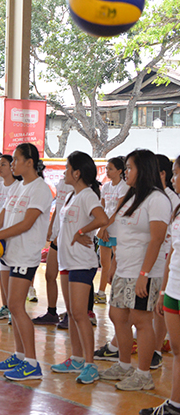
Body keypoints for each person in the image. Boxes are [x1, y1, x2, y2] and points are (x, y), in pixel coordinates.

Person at [0, 143, 53, 381]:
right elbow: (2, 219)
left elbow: (27, 223)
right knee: (13, 310)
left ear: (30, 162)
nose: (13, 164)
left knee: (17, 307)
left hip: (25, 256)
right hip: (10, 255)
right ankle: (19, 356)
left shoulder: (40, 189)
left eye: (17, 160)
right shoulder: (17, 187)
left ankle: (32, 363)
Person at [100, 149, 170, 390]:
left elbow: (157, 239)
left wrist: (144, 275)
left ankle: (143, 375)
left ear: (144, 170)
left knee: (141, 321)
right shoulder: (129, 197)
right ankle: (124, 365)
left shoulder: (157, 199)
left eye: (129, 167)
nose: (126, 171)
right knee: (117, 316)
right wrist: (115, 266)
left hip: (144, 272)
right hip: (124, 269)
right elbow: (124, 235)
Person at [49, 151, 108, 385]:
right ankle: (75, 359)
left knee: (81, 314)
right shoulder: (71, 196)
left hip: (82, 263)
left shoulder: (87, 195)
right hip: (67, 261)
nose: (64, 171)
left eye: (67, 167)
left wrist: (83, 232)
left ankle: (90, 364)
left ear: (77, 172)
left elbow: (102, 219)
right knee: (72, 313)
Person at [142, 155, 180, 415]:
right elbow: (171, 252)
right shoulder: (177, 209)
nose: (174, 179)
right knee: (177, 351)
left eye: (176, 174)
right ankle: (175, 405)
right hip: (174, 290)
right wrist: (164, 290)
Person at [32, 176, 73, 326]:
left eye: (68, 168)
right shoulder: (63, 183)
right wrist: (51, 228)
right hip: (57, 237)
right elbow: (59, 207)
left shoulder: (81, 191)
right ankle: (51, 312)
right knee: (50, 275)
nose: (65, 172)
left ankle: (71, 314)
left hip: (68, 240)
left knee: (68, 279)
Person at [0, 154, 21, 322]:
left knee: (13, 277)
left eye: (3, 164)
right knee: (2, 275)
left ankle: (14, 309)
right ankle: (6, 306)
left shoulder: (18, 187)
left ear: (12, 167)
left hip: (13, 237)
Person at [96, 157, 128, 304]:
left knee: (118, 262)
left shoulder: (124, 187)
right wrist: (102, 227)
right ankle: (101, 293)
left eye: (110, 169)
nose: (107, 171)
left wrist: (104, 227)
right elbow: (102, 208)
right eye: (107, 168)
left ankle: (116, 293)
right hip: (105, 229)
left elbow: (118, 211)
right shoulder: (106, 187)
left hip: (116, 229)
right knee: (104, 263)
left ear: (120, 171)